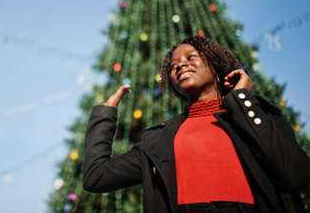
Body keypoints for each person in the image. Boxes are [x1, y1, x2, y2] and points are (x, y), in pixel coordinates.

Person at [83, 35, 310, 213]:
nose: (181, 66)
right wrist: (105, 114)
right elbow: (97, 177)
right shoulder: (158, 141)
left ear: (215, 65)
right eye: (173, 66)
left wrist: (243, 100)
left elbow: (296, 176)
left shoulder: (256, 115)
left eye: (191, 57)